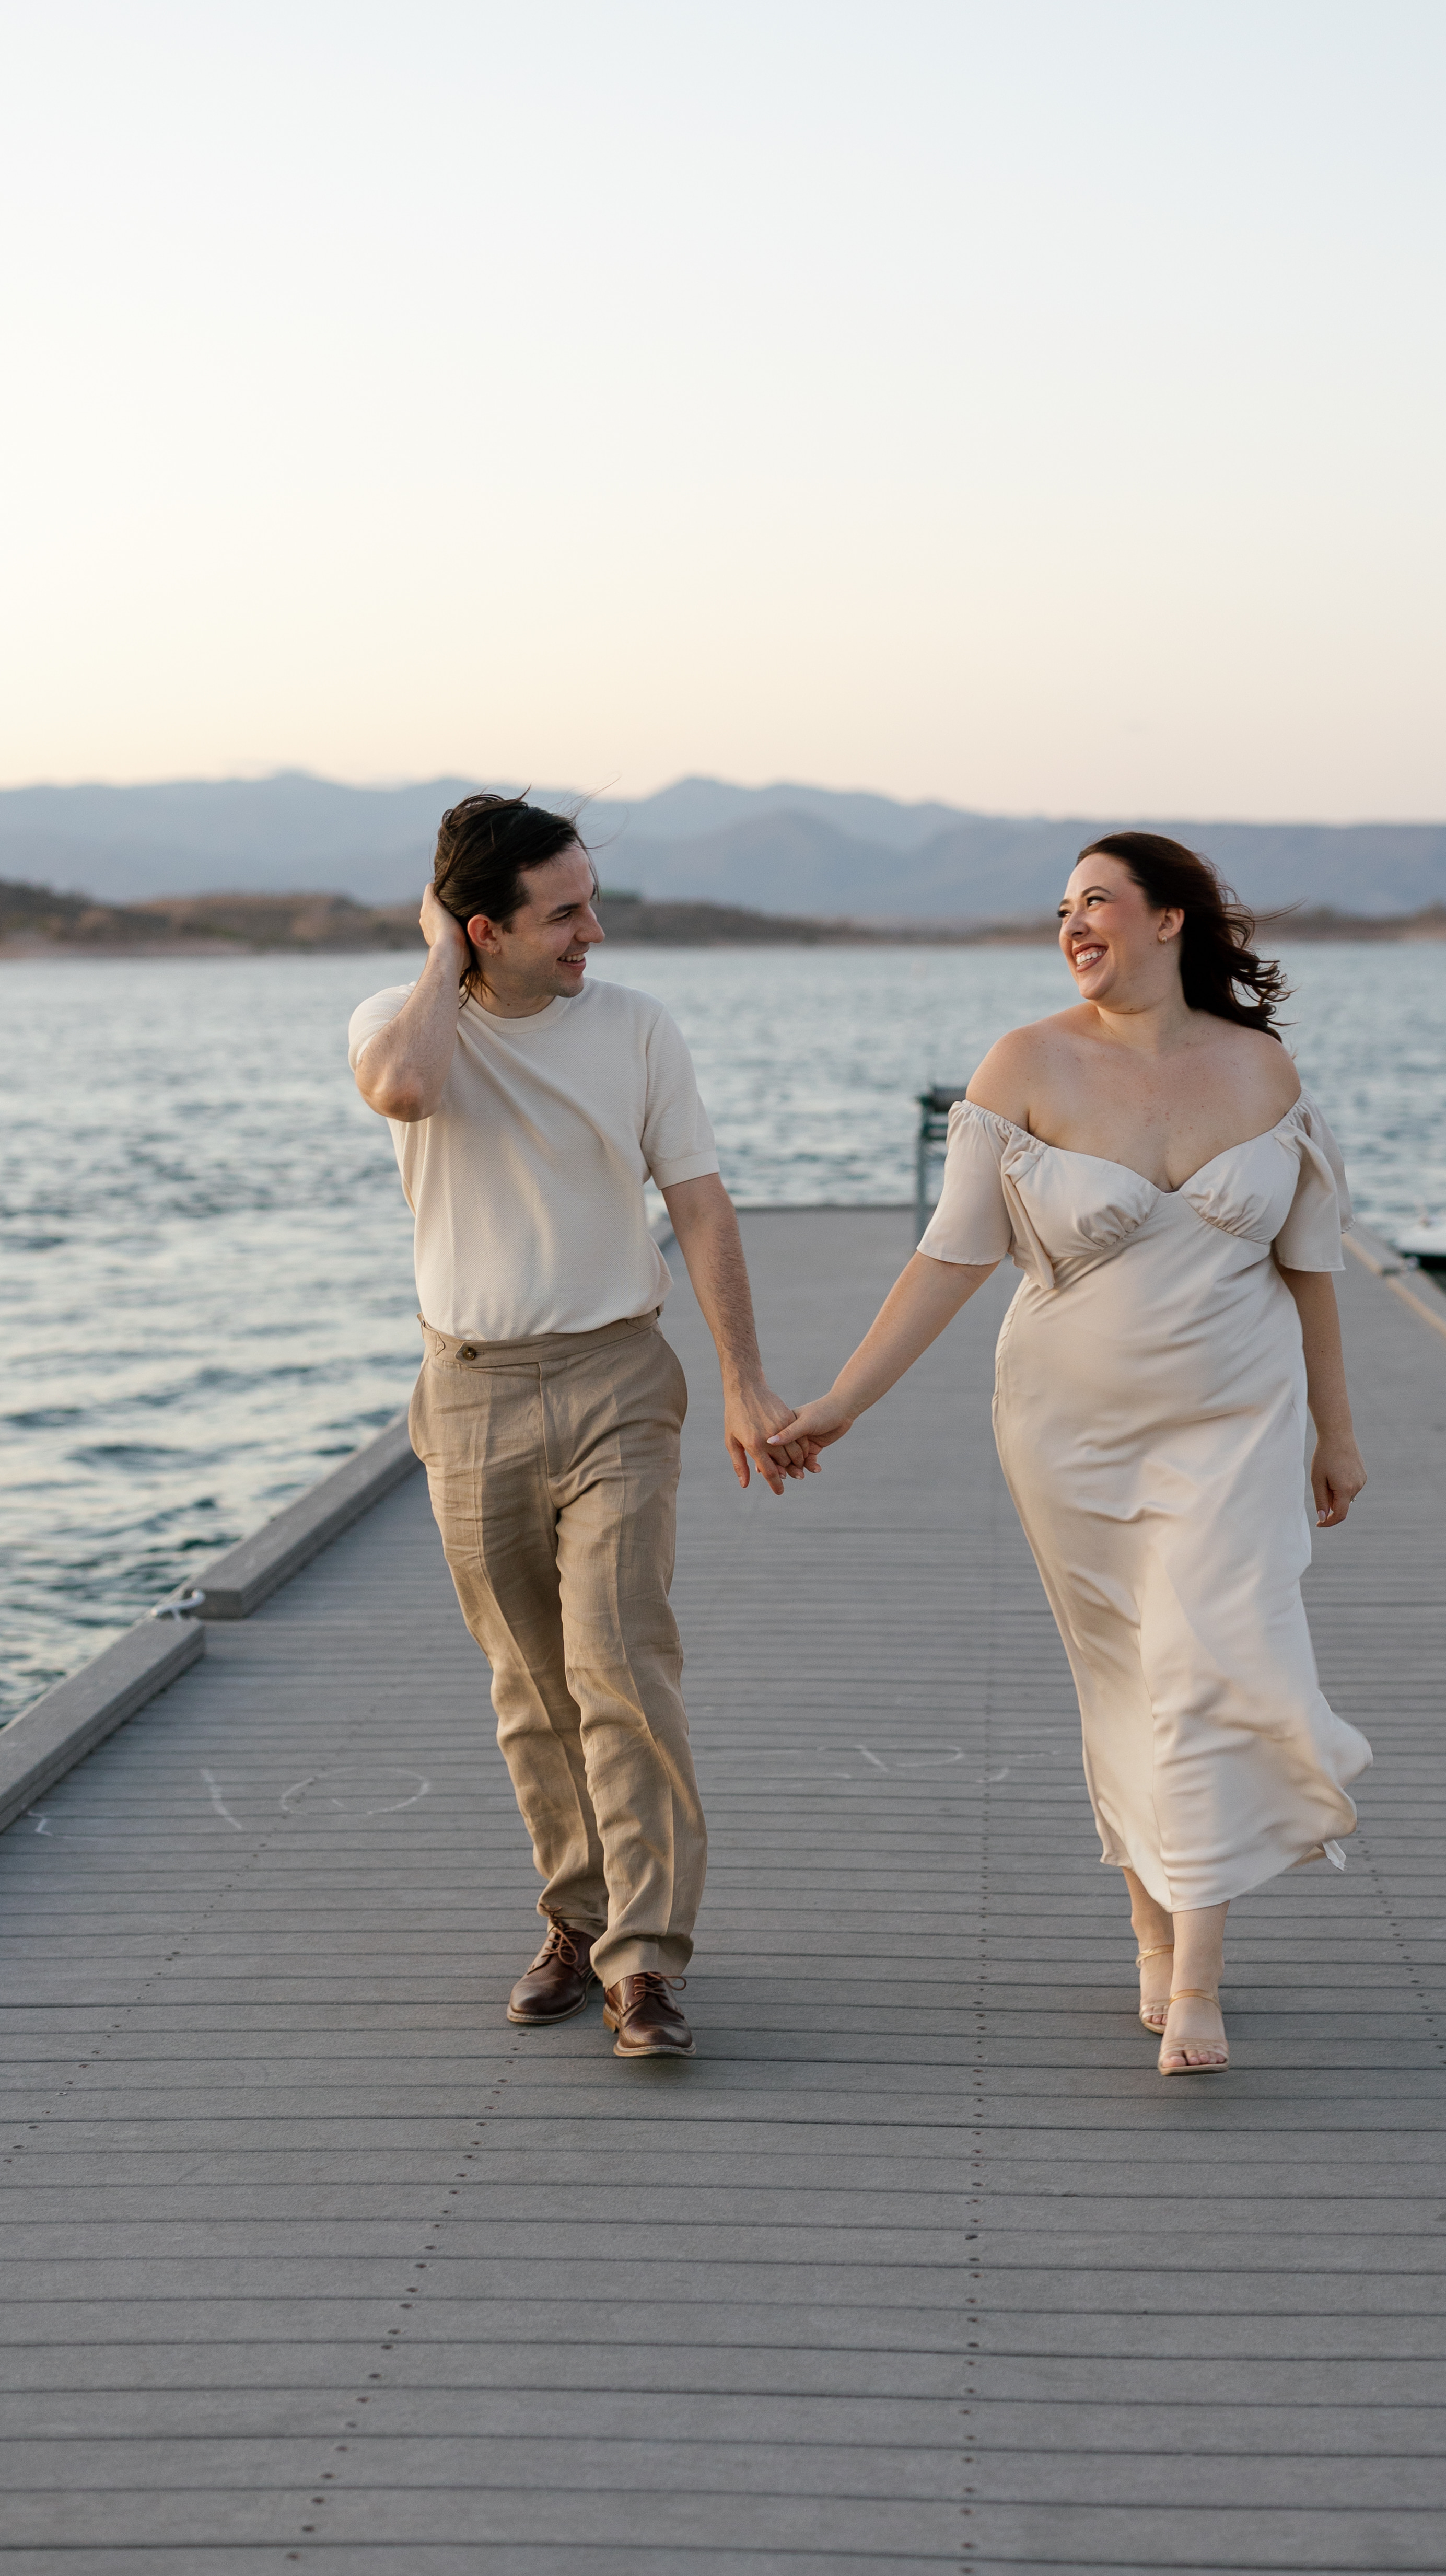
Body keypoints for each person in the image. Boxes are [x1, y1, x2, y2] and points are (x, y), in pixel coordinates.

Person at [772, 833, 1372, 2077]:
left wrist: (1337, 1425)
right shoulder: (1024, 1063)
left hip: (1235, 1418)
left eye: (1096, 899)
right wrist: (841, 1401)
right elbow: (948, 1258)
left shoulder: (1262, 1069)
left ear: (1170, 921)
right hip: (1067, 1433)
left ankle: (1197, 1978)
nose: (1071, 921)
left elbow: (1309, 1266)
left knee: (1208, 1663)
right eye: (1060, 907)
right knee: (1126, 1679)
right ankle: (1151, 1921)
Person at [349, 792, 811, 2061]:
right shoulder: (398, 1028)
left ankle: (646, 1960)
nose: (592, 933)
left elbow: (703, 1208)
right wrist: (442, 959)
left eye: (592, 903)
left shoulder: (639, 1029)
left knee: (620, 1664)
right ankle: (575, 1912)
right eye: (563, 914)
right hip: (471, 1386)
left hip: (618, 1377)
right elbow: (404, 1085)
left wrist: (742, 1378)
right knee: (529, 1684)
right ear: (482, 927)